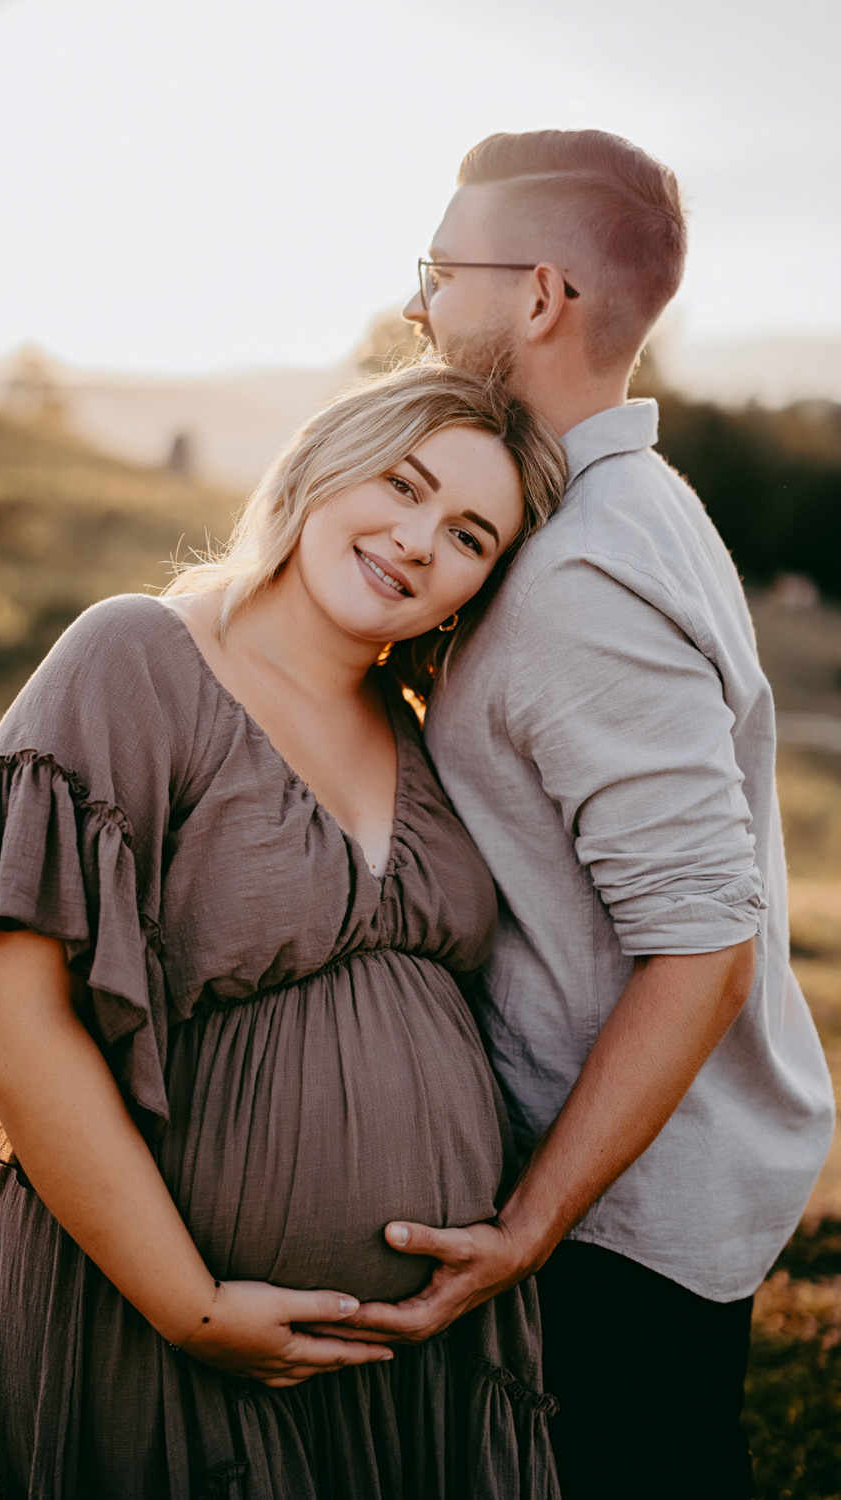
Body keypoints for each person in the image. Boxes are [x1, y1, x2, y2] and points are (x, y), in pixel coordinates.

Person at [0, 359, 569, 1500]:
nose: (417, 540)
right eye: (401, 486)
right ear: (319, 467)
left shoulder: (424, 736)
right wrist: (192, 1306)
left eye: (468, 535)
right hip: (157, 1330)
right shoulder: (136, 658)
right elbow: (13, 1018)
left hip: (415, 1366)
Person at [334, 130, 836, 1499]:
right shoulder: (619, 507)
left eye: (441, 272)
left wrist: (529, 1227)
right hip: (630, 1184)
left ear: (542, 296)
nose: (421, 306)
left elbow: (703, 941)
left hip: (616, 1222)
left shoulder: (587, 578)